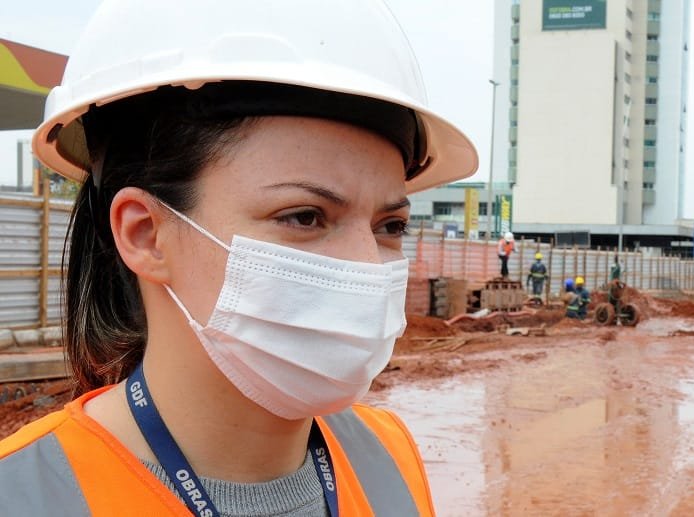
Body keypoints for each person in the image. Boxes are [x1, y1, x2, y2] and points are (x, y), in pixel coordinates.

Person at [0, 1, 478, 514]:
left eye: (390, 226)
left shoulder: (389, 456)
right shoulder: (26, 492)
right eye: (305, 216)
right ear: (144, 235)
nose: (368, 266)